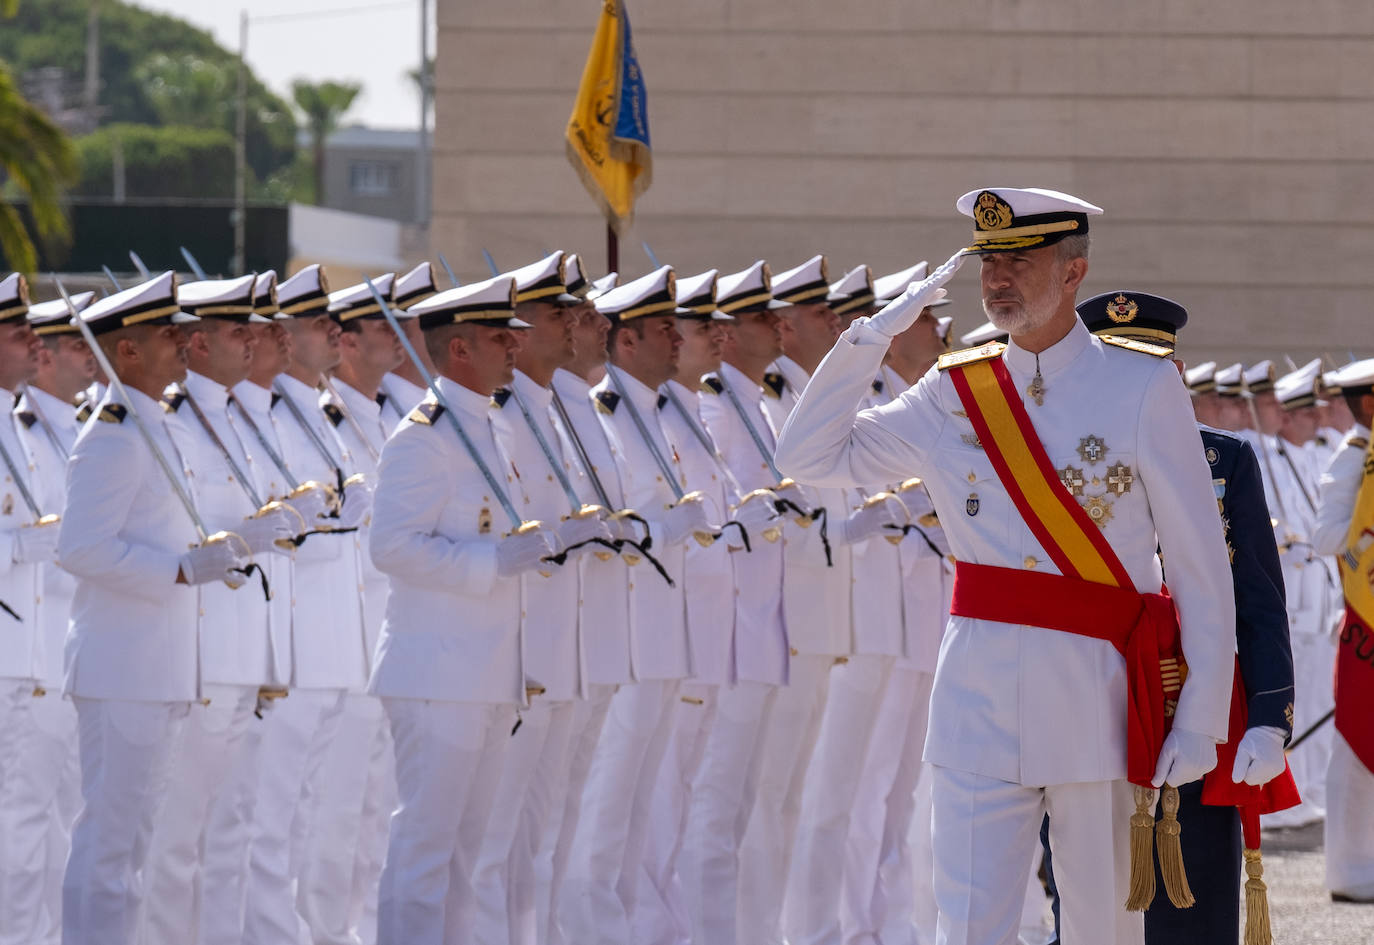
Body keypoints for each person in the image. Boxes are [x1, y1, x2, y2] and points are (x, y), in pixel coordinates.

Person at [774, 187, 1235, 945]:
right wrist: (872, 337)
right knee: (967, 928)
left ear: (1074, 270)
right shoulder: (952, 391)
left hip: (1101, 703)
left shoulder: (1142, 386)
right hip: (977, 703)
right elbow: (807, 457)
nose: (997, 279)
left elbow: (1198, 565)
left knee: (1102, 930)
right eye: (990, 261)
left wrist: (1202, 715)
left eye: (1019, 261)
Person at [1074, 291, 1296, 945]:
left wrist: (1269, 715)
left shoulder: (1223, 460)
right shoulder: (1056, 465)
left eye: (1154, 369)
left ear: (1174, 375)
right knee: (1092, 894)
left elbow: (1257, 596)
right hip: (1088, 696)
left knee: (1194, 890)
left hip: (1192, 701)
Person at [58, 271, 251, 945]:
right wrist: (176, 569)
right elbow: (79, 547)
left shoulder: (155, 426)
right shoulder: (110, 435)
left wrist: (217, 549)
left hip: (159, 666)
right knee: (111, 844)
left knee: (133, 844)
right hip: (123, 669)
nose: (183, 344)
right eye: (168, 335)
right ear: (129, 352)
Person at [368, 274, 557, 944]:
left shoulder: (491, 425)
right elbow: (390, 546)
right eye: (499, 337)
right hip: (436, 674)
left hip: (485, 673)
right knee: (426, 850)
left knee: (468, 857)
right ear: (458, 351)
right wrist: (490, 561)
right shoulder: (425, 436)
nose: (514, 348)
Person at [559, 265, 709, 945]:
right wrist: (664, 525)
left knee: (637, 808)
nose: (677, 342)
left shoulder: (655, 410)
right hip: (621, 637)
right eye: (662, 330)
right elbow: (612, 523)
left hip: (662, 636)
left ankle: (633, 927)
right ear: (624, 342)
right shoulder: (604, 412)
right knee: (602, 810)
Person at [0, 274, 66, 945]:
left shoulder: (16, 425)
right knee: (12, 829)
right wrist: (19, 545)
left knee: (31, 824)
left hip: (30, 654)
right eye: (16, 330)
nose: (31, 341)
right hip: (6, 655)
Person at [1310, 357, 1374, 903]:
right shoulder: (1352, 460)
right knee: (1355, 748)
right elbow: (1325, 537)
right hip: (1362, 622)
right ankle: (1349, 871)